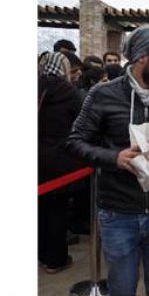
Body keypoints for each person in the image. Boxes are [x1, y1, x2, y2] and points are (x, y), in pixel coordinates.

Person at [67, 25, 149, 296]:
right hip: (118, 212)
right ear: (141, 57)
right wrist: (114, 158)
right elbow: (75, 142)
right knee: (122, 289)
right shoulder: (103, 95)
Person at [38, 51, 85, 274]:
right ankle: (56, 259)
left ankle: (40, 253)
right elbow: (83, 121)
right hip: (59, 160)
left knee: (39, 208)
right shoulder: (68, 91)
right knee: (56, 210)